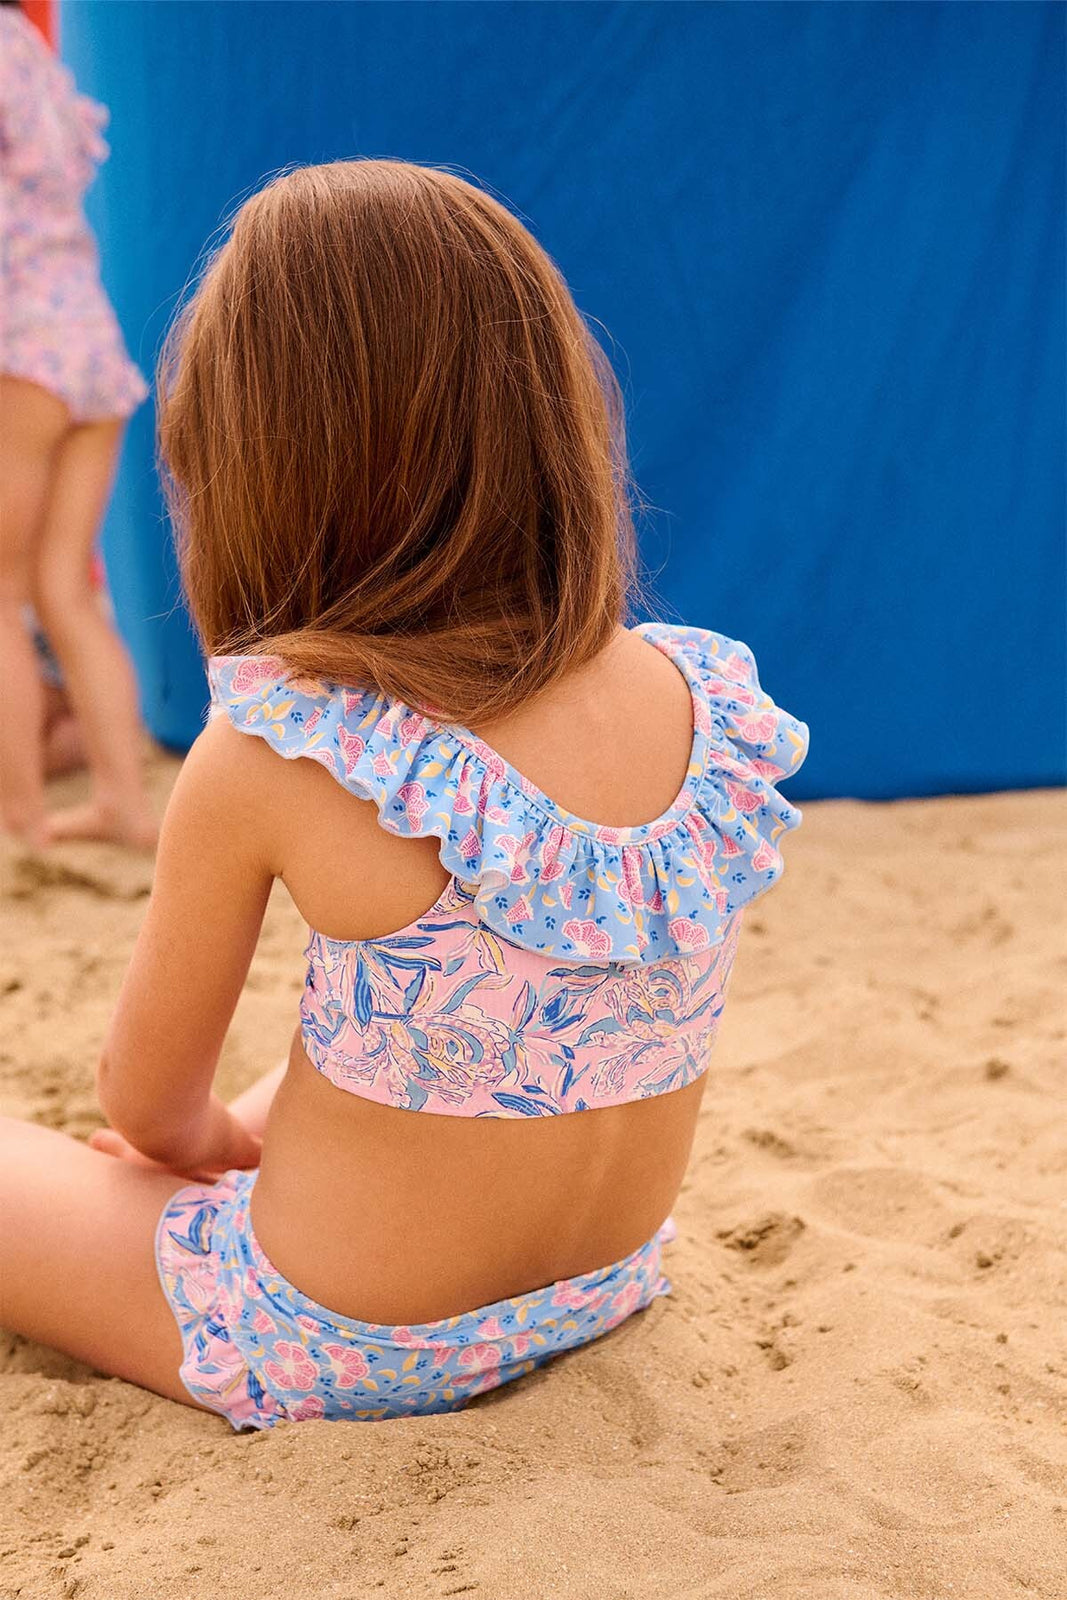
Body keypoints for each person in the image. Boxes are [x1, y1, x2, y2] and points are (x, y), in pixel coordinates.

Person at [0, 160, 808, 1427]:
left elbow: (145, 1103)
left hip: (339, 1337)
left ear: (259, 466)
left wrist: (208, 1148)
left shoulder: (281, 746)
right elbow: (494, 1028)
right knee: (407, 1029)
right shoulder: (699, 699)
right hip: (597, 1285)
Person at [0, 2, 156, 850]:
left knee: (2, 596)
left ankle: (22, 822)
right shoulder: (31, 49)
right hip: (88, 338)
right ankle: (124, 803)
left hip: (19, 343)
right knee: (66, 591)